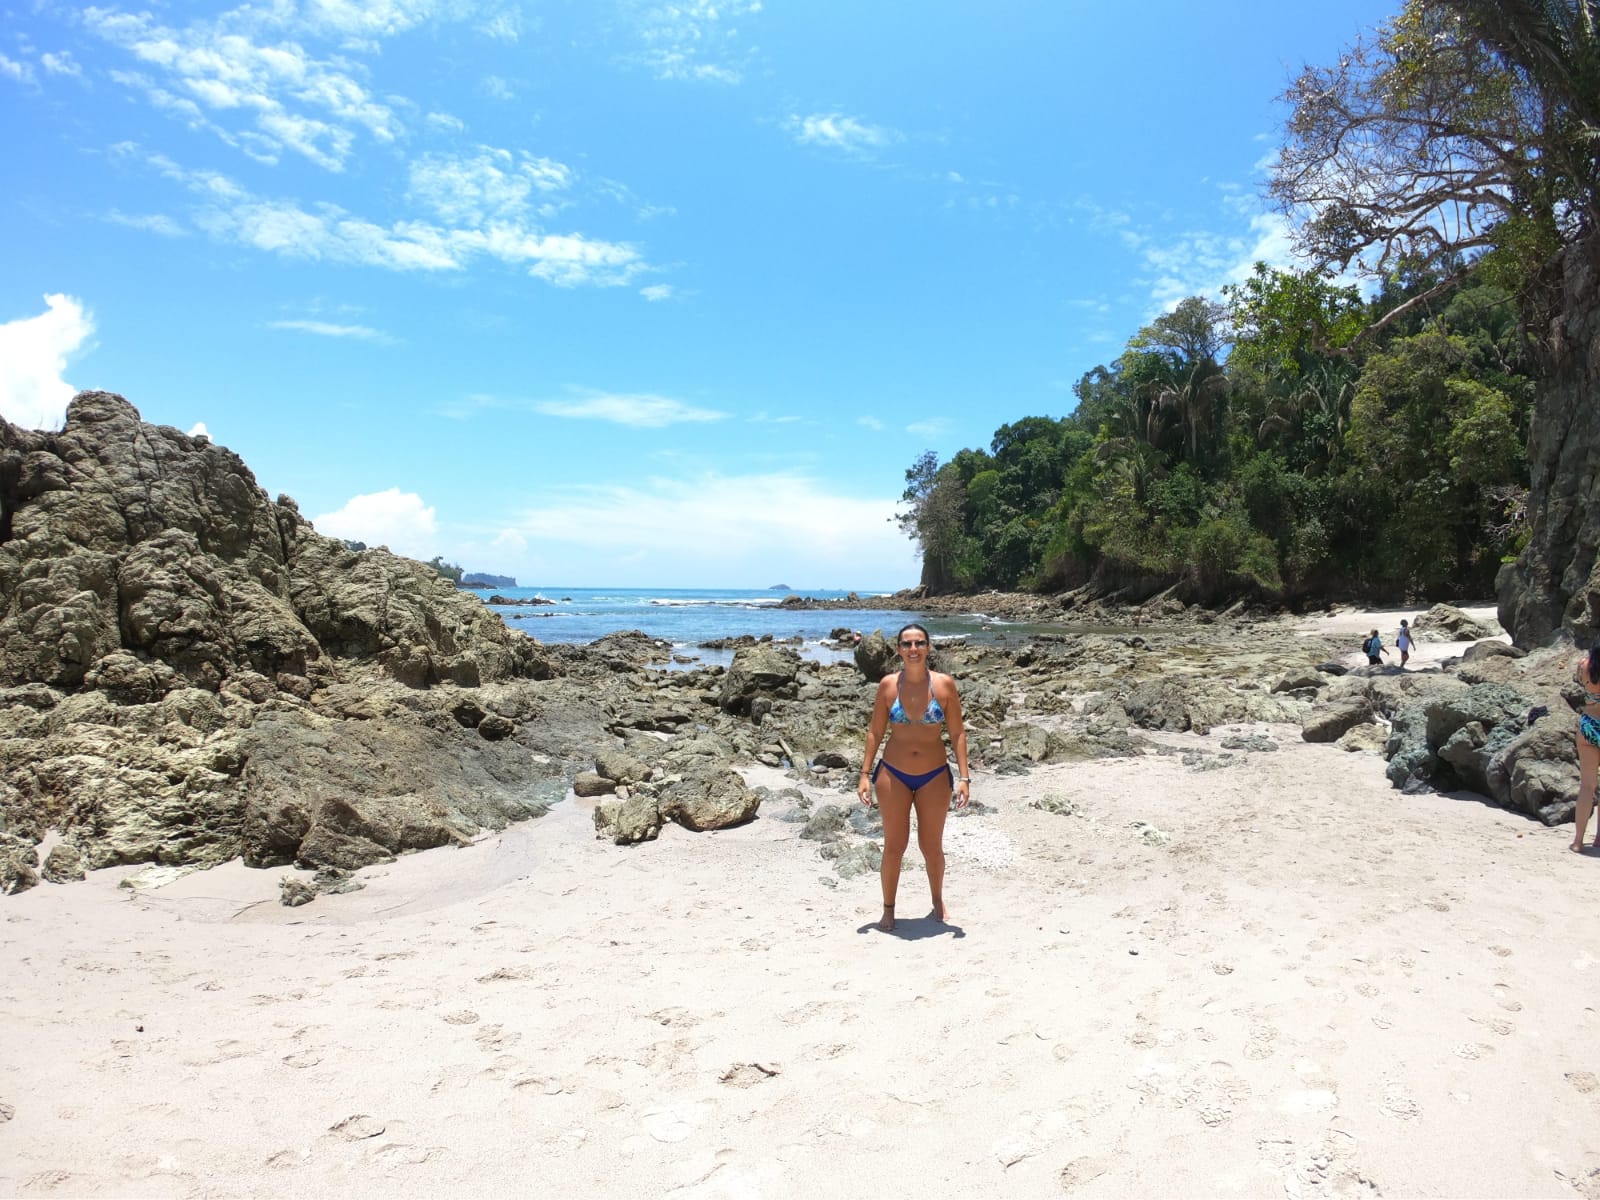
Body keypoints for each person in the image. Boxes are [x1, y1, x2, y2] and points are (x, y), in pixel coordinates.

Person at [857, 623, 971, 931]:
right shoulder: (888, 686)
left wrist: (964, 777)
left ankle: (937, 899)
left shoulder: (944, 685)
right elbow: (875, 732)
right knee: (894, 846)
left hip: (934, 775)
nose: (913, 649)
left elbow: (958, 732)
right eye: (907, 644)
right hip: (893, 774)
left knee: (931, 846)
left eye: (919, 643)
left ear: (928, 648)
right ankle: (888, 910)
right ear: (898, 649)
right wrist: (865, 774)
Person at [1572, 646, 1600, 852]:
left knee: (1586, 787)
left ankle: (1578, 841)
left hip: (1588, 725)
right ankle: (1599, 838)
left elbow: (1579, 684)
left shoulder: (1583, 665)